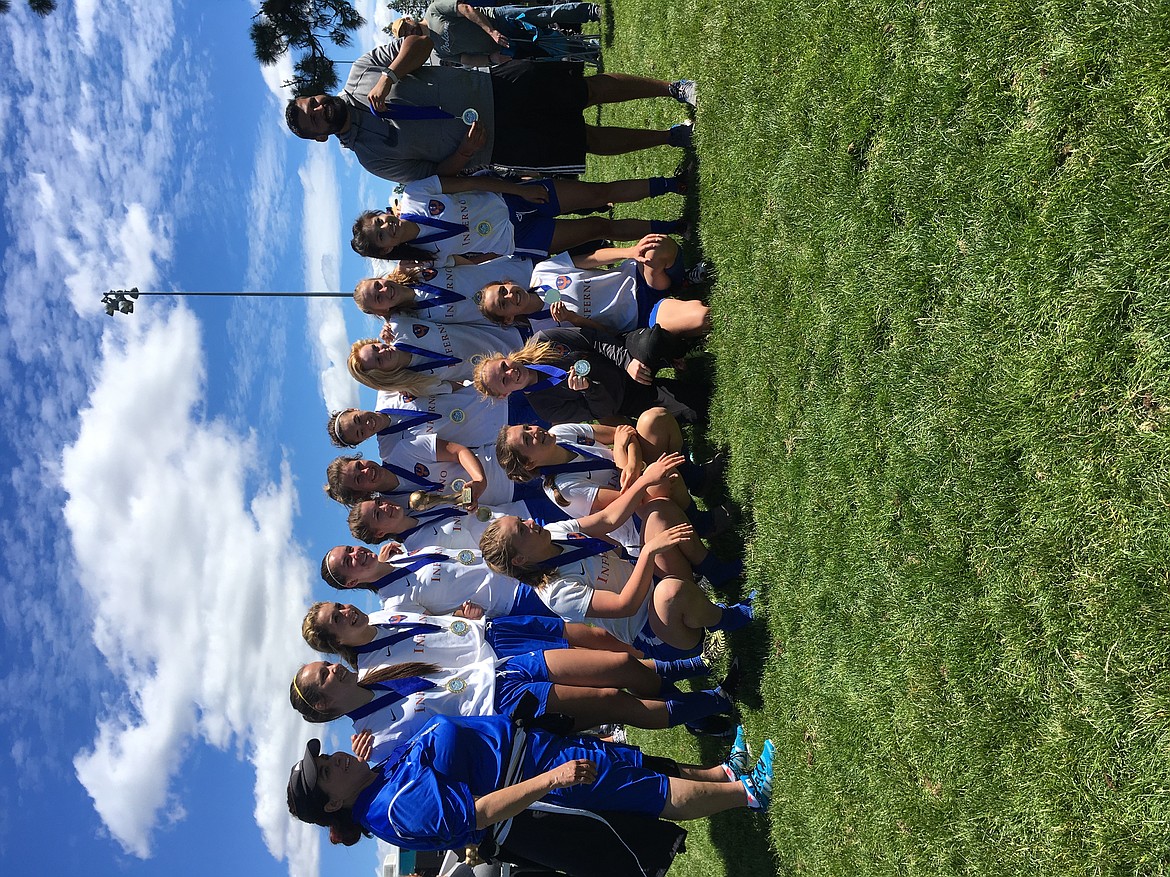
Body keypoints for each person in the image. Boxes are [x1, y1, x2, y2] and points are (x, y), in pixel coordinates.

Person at [292, 603, 733, 760]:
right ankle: (716, 699)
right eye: (325, 677)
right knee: (613, 700)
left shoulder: (378, 677)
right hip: (503, 708)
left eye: (326, 666)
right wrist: (377, 762)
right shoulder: (373, 738)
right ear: (324, 707)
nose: (333, 670)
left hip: (502, 669)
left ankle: (700, 664)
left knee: (611, 664)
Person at [286, 714, 775, 850]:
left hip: (531, 750)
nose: (333, 760)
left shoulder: (379, 782)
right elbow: (475, 814)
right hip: (536, 774)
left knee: (635, 766)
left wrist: (367, 768)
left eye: (325, 757)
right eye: (327, 773)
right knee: (647, 793)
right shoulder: (390, 808)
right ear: (332, 805)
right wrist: (551, 780)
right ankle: (749, 794)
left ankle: (724, 774)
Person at [283, 37, 697, 182]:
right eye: (314, 118)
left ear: (318, 93)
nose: (319, 109)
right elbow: (432, 176)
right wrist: (463, 154)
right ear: (320, 135)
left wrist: (390, 74)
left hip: (496, 86)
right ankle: (672, 137)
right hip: (499, 144)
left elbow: (422, 42)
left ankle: (673, 89)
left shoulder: (362, 71)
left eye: (313, 102)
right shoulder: (372, 159)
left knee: (584, 91)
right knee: (585, 140)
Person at [321, 452, 684, 618]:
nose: (384, 507)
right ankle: (668, 636)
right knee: (598, 605)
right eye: (350, 563)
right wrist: (463, 618)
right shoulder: (409, 560)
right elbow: (436, 614)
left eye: (350, 551)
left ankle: (669, 559)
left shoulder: (409, 544)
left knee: (605, 541)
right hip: (516, 588)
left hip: (526, 532)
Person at [495, 417, 735, 549]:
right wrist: (624, 458)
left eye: (528, 427)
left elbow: (624, 432)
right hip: (637, 519)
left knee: (654, 420)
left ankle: (698, 480)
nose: (536, 431)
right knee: (662, 480)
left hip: (636, 477)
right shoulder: (562, 488)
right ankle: (702, 525)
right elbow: (632, 499)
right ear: (529, 464)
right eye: (528, 439)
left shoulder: (561, 431)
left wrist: (629, 464)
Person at [349, 175, 684, 265]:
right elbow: (471, 262)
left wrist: (517, 190)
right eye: (380, 236)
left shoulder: (413, 195)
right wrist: (502, 252)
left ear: (380, 214)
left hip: (509, 198)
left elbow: (470, 183)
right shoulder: (427, 257)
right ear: (388, 248)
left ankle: (672, 184)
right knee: (601, 228)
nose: (384, 227)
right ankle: (673, 228)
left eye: (378, 222)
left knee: (598, 193)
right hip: (521, 238)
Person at [477, 235, 711, 340]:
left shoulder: (542, 272)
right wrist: (574, 319)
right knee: (702, 318)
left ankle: (683, 282)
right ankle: (677, 320)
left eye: (503, 290)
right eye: (503, 304)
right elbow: (606, 337)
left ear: (508, 282)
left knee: (657, 247)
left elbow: (592, 258)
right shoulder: (545, 330)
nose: (509, 296)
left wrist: (630, 252)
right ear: (508, 319)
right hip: (642, 316)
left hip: (638, 278)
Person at [472, 329, 701, 425]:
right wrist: (588, 390)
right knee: (695, 406)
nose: (511, 373)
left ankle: (679, 354)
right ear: (504, 394)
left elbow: (593, 339)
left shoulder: (542, 341)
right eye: (504, 380)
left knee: (651, 342)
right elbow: (601, 412)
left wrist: (627, 362)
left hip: (622, 357)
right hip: (625, 397)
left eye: (504, 366)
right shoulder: (545, 408)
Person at [394, 2, 601, 66]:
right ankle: (590, 51)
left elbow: (466, 9)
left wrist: (491, 31)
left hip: (499, 20)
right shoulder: (437, 51)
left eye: (406, 26)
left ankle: (591, 12)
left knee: (545, 14)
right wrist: (491, 59)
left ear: (408, 18)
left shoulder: (433, 11)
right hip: (503, 46)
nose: (409, 31)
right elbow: (465, 59)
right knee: (547, 47)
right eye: (405, 34)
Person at [353, 258, 534, 327]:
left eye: (378, 285)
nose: (384, 290)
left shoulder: (415, 268)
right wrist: (386, 323)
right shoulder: (415, 319)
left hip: (514, 274)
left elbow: (460, 260)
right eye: (378, 298)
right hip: (517, 312)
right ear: (381, 310)